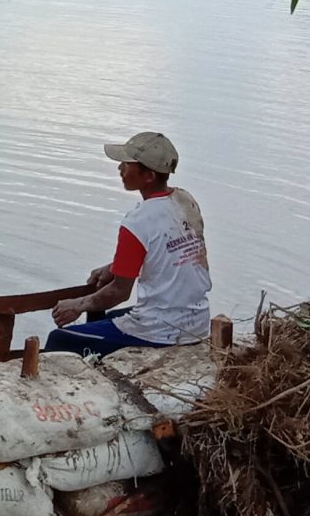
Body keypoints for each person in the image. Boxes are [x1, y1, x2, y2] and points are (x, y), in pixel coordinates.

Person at [48, 131, 212, 356]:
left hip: (161, 331)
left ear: (149, 176)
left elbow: (119, 292)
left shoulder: (137, 222)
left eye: (127, 164)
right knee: (103, 317)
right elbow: (164, 253)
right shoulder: (185, 201)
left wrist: (76, 305)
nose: (120, 169)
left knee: (58, 339)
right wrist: (113, 268)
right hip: (197, 321)